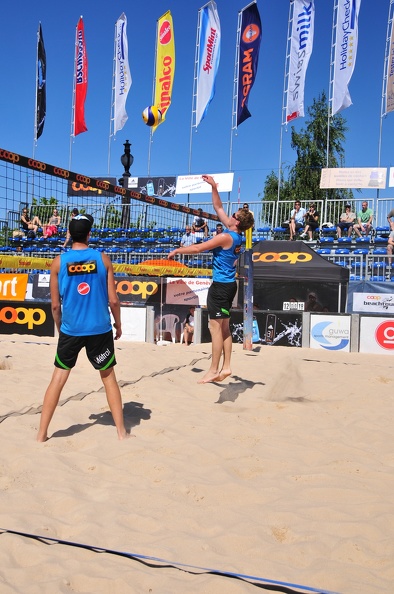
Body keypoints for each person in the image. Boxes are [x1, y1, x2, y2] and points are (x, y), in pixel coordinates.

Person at [37, 213, 129, 442]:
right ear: (89, 234)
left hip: (71, 329)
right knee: (108, 378)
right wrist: (118, 323)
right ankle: (121, 433)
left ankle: (41, 435)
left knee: (57, 379)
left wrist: (60, 327)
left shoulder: (59, 262)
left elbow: (55, 305)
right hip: (99, 329)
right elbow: (114, 300)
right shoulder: (102, 258)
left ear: (69, 234)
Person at [168, 174, 254, 384]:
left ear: (236, 221)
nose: (229, 215)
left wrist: (178, 249)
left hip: (220, 287)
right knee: (224, 329)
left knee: (215, 329)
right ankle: (226, 367)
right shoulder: (237, 235)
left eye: (233, 215)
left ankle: (213, 369)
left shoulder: (225, 237)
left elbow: (198, 248)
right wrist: (214, 187)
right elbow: (218, 208)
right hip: (229, 285)